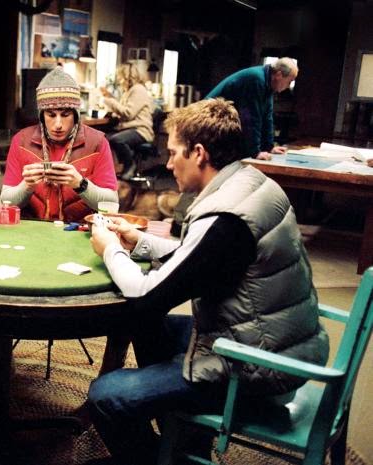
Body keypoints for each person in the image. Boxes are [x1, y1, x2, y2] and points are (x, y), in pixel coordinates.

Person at [86, 98, 328, 465]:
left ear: (198, 153)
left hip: (257, 369)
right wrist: (140, 242)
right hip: (274, 341)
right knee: (145, 324)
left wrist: (110, 249)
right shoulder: (250, 184)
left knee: (107, 395)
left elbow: (144, 294)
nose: (169, 163)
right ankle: (180, 440)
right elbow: (204, 258)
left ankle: (161, 459)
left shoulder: (225, 219)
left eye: (173, 153)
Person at [1, 66, 118, 222]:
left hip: (78, 229)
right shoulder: (21, 141)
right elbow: (6, 202)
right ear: (41, 115)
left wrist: (80, 184)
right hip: (32, 228)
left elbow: (112, 203)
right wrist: (26, 186)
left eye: (65, 114)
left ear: (75, 114)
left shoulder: (97, 142)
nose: (58, 124)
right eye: (51, 115)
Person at [206, 57, 298, 160]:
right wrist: (255, 152)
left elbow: (267, 117)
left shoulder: (268, 83)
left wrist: (269, 147)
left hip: (223, 122)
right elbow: (251, 118)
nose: (288, 86)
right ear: (279, 75)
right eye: (289, 81)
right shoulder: (256, 79)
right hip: (209, 121)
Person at [100, 62, 155, 180]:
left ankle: (129, 165)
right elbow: (125, 111)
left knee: (116, 140)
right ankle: (109, 171)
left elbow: (128, 113)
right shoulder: (128, 91)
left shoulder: (138, 89)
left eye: (120, 77)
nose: (119, 80)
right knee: (104, 138)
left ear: (127, 76)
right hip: (131, 129)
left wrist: (108, 101)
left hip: (141, 130)